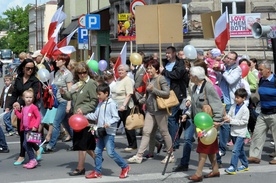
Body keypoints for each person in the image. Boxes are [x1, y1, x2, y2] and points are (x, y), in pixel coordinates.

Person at [127, 59, 173, 164]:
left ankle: (171, 155)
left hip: (160, 110)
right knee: (146, 132)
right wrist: (139, 101)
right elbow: (147, 96)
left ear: (156, 69)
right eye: (147, 68)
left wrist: (154, 90)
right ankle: (139, 156)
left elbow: (166, 93)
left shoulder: (161, 79)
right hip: (150, 110)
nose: (148, 70)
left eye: (150, 68)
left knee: (164, 132)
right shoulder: (148, 80)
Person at [183, 66, 224, 182]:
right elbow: (194, 105)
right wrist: (186, 114)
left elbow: (217, 104)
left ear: (196, 77)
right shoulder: (195, 87)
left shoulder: (209, 87)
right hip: (200, 123)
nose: (189, 77)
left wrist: (216, 120)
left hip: (209, 124)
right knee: (210, 148)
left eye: (190, 75)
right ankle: (215, 170)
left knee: (203, 148)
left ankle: (198, 173)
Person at [82, 83, 130, 179]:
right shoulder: (100, 103)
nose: (98, 96)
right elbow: (95, 116)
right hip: (100, 131)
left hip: (109, 132)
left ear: (106, 93)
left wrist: (109, 123)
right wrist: (84, 116)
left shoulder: (112, 103)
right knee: (97, 152)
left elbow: (116, 117)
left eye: (99, 94)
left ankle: (125, 166)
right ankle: (97, 171)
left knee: (110, 152)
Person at [60, 61, 98, 176]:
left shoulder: (91, 83)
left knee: (83, 144)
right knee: (83, 144)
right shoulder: (78, 83)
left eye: (84, 72)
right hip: (77, 118)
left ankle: (80, 167)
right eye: (80, 73)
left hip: (87, 118)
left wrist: (84, 109)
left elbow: (94, 101)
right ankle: (97, 159)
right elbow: (70, 95)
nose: (82, 75)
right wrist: (63, 93)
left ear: (88, 72)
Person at [7, 58, 43, 165]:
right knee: (21, 131)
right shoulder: (18, 79)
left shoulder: (35, 81)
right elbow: (14, 93)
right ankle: (35, 149)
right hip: (21, 109)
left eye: (32, 68)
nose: (30, 70)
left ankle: (23, 155)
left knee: (27, 134)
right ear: (23, 68)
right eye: (28, 68)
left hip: (30, 109)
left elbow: (33, 96)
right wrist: (9, 106)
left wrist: (19, 102)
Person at [159, 46, 189, 150]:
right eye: (166, 53)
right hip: (165, 93)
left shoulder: (180, 64)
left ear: (174, 53)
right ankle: (169, 140)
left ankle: (173, 142)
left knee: (172, 118)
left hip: (176, 93)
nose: (167, 55)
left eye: (169, 53)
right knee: (170, 118)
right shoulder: (164, 63)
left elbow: (176, 75)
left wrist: (164, 72)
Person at [216, 51, 242, 167]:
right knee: (223, 125)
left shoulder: (237, 70)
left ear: (235, 60)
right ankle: (219, 155)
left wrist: (223, 71)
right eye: (228, 58)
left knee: (227, 126)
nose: (229, 60)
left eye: (231, 59)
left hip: (231, 101)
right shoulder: (224, 67)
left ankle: (222, 149)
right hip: (221, 99)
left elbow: (231, 81)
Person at [248, 61, 276, 165]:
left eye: (261, 70)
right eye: (259, 69)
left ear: (268, 70)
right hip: (263, 113)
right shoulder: (261, 80)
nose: (259, 72)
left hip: (274, 113)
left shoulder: (275, 80)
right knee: (257, 134)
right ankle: (254, 156)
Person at [44, 54, 73, 152]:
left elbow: (70, 91)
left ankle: (51, 145)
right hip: (58, 101)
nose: (56, 62)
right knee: (66, 124)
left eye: (58, 60)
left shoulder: (68, 74)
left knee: (56, 122)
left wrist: (69, 104)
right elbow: (56, 86)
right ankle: (76, 142)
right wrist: (52, 91)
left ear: (64, 61)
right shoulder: (57, 73)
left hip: (64, 102)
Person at [111, 64, 137, 151]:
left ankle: (133, 145)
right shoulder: (118, 80)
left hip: (125, 107)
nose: (120, 71)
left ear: (126, 71)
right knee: (113, 125)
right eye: (119, 70)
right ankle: (108, 143)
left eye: (122, 70)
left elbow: (129, 94)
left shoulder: (127, 80)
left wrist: (124, 105)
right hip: (116, 106)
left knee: (128, 126)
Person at [223, 88, 250, 174]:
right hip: (233, 132)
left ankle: (232, 167)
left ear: (244, 98)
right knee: (240, 150)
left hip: (241, 133)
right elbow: (229, 115)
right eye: (235, 97)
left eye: (238, 97)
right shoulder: (233, 106)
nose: (236, 99)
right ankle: (245, 164)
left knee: (235, 150)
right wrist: (226, 118)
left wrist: (231, 120)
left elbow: (244, 122)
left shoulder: (245, 110)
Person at [14, 88, 41, 169]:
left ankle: (33, 160)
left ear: (32, 98)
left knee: (26, 144)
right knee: (27, 145)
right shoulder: (24, 108)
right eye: (27, 97)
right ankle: (32, 159)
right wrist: (16, 112)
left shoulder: (33, 107)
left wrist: (35, 126)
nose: (29, 99)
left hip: (31, 129)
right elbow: (21, 117)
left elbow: (38, 117)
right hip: (25, 130)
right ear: (23, 98)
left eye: (30, 97)